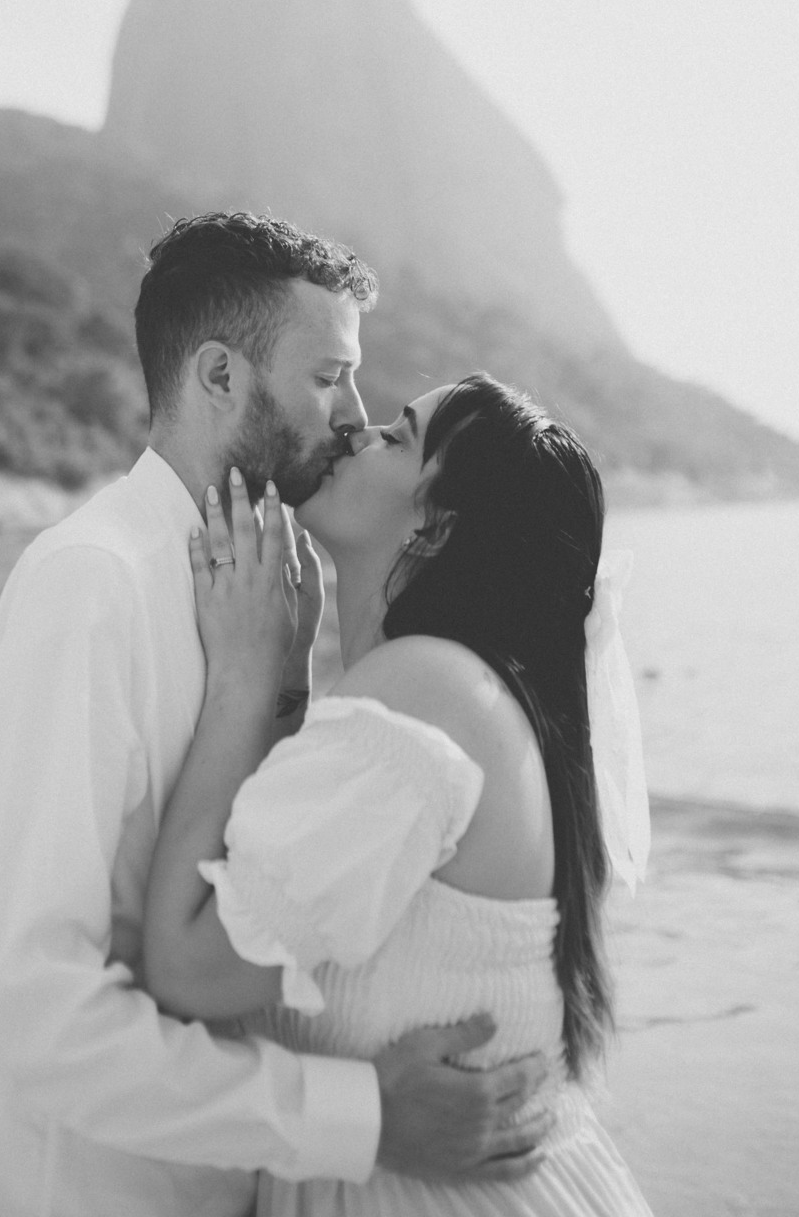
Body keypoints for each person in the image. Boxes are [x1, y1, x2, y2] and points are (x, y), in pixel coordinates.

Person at [0, 214, 553, 1217]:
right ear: (221, 376)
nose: (354, 416)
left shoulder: (263, 596)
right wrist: (364, 1118)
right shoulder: (93, 584)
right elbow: (35, 1010)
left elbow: (266, 882)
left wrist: (279, 688)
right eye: (329, 377)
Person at [143, 372, 655, 1215]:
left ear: (436, 524)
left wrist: (242, 675)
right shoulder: (455, 692)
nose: (358, 429)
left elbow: (187, 969)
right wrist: (287, 671)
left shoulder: (426, 690)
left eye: (399, 436)